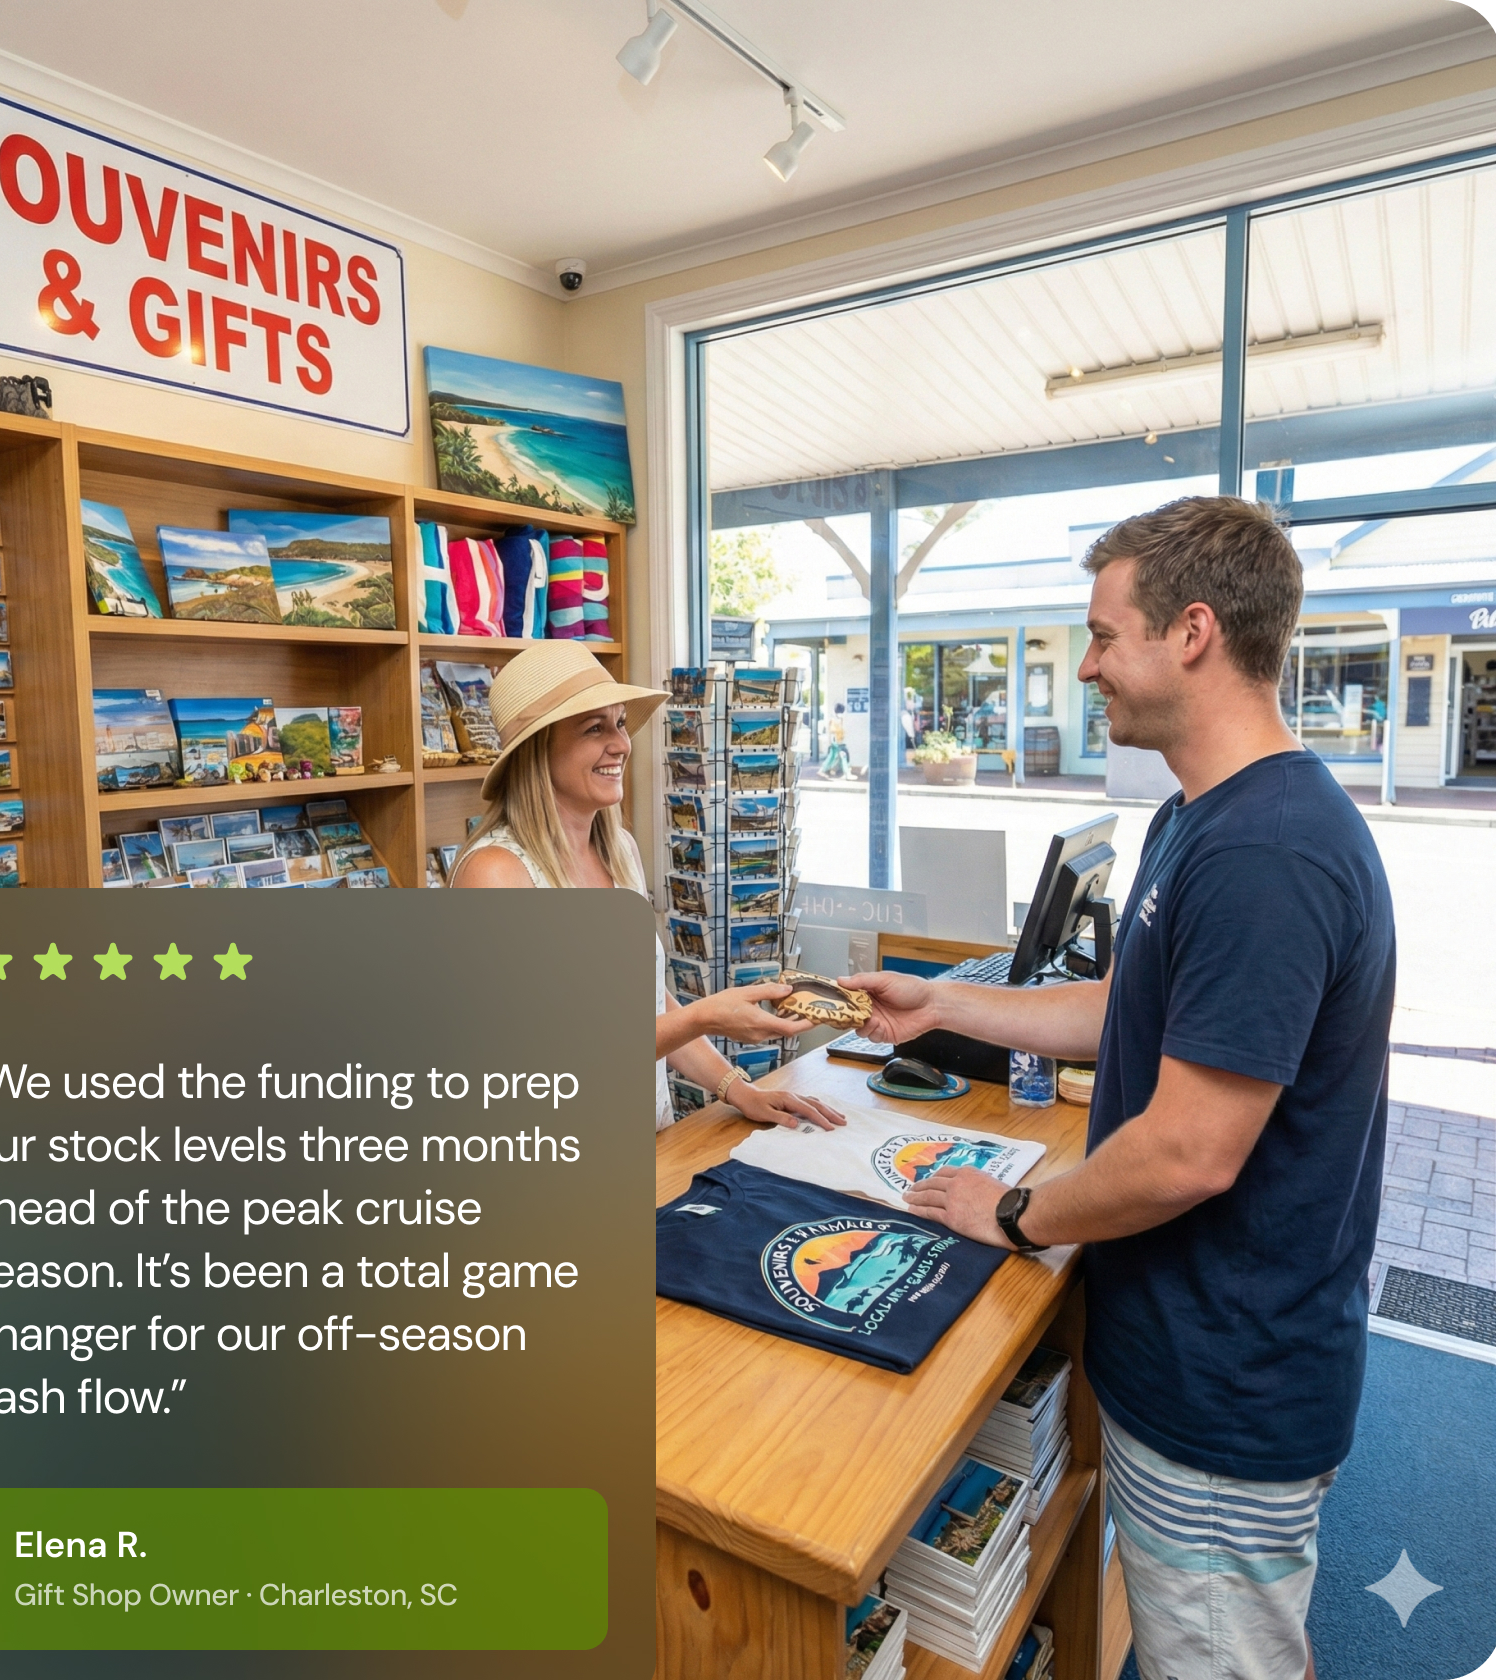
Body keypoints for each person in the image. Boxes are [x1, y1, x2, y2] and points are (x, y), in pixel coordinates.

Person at [850, 498, 1393, 1680]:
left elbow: (1191, 1152)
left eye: (1103, 636)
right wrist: (943, 1006)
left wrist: (1014, 1212)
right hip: (1189, 1353)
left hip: (1226, 1386)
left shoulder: (1267, 853)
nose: (1087, 666)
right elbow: (1130, 1009)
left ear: (1192, 632)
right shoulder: (1201, 817)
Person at [451, 641, 844, 1134]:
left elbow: (652, 1006)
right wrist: (706, 1017)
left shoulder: (620, 851)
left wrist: (740, 1090)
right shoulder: (495, 874)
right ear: (536, 750)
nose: (621, 744)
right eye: (594, 728)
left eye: (619, 723)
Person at [821, 702, 851, 779]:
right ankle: (846, 773)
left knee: (833, 757)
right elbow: (832, 732)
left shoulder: (840, 720)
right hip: (836, 743)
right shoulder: (833, 721)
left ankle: (823, 770)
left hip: (839, 742)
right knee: (842, 756)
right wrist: (832, 742)